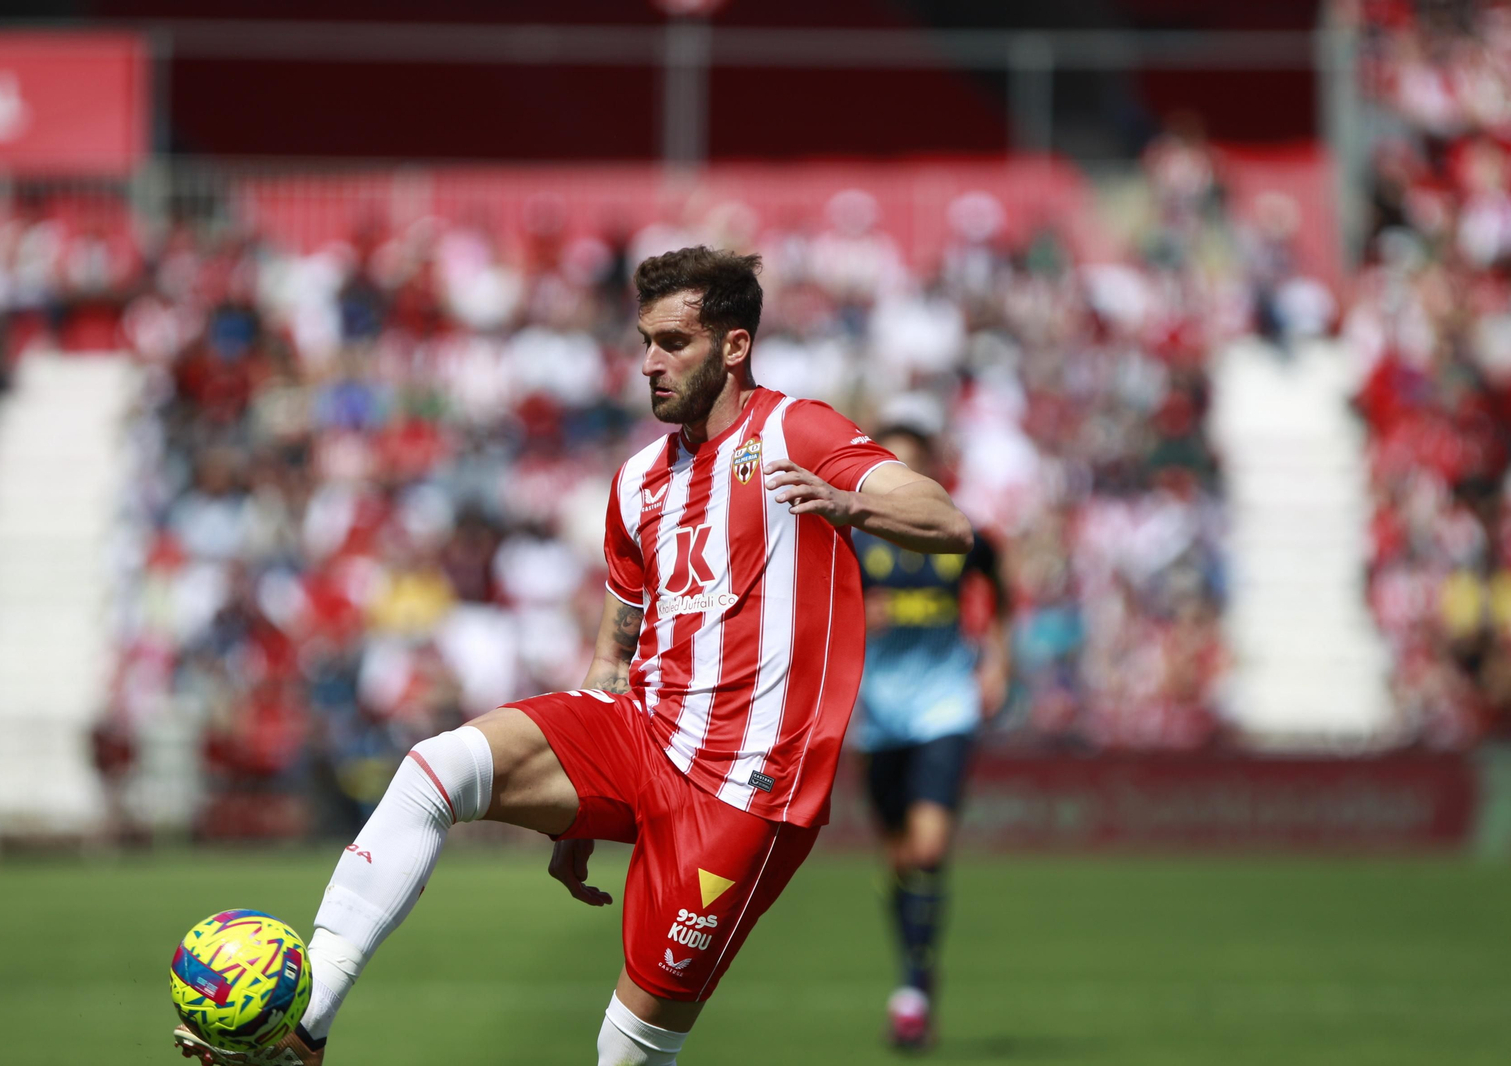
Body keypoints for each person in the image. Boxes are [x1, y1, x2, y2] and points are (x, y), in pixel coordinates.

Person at [172, 246, 973, 1066]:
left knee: (625, 1053)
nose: (649, 365)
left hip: (744, 792)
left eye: (673, 343)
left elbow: (945, 521)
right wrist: (576, 811)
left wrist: (849, 501)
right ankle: (305, 1032)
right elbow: (613, 650)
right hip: (641, 734)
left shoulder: (795, 431)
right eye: (644, 342)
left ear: (734, 347)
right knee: (433, 771)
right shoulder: (637, 484)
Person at [852, 422, 1008, 1051]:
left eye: (914, 467)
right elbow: (814, 621)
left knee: (928, 847)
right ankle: (915, 968)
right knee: (898, 860)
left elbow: (997, 587)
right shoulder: (853, 543)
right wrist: (859, 619)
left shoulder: (959, 535)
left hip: (945, 706)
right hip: (878, 715)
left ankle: (915, 987)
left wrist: (998, 659)